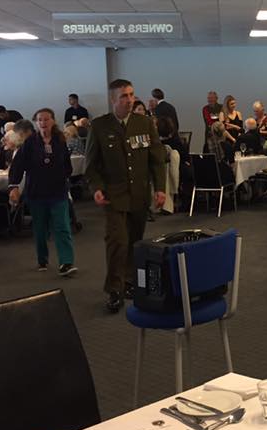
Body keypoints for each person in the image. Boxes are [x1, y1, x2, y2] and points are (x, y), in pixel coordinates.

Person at [85, 78, 166, 313]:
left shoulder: (144, 123)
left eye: (131, 94)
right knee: (117, 242)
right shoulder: (100, 126)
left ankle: (129, 281)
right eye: (123, 96)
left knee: (134, 241)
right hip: (114, 196)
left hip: (139, 194)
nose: (130, 100)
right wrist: (96, 188)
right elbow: (91, 165)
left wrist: (160, 188)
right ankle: (114, 289)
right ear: (113, 99)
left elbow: (156, 159)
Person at [9, 108, 77, 276]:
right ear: (36, 123)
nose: (43, 123)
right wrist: (14, 186)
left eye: (46, 119)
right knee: (40, 229)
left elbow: (67, 165)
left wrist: (63, 176)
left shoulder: (60, 141)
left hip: (58, 191)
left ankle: (66, 262)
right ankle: (42, 258)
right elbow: (18, 165)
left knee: (62, 227)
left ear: (52, 121)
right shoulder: (30, 143)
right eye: (40, 120)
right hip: (37, 192)